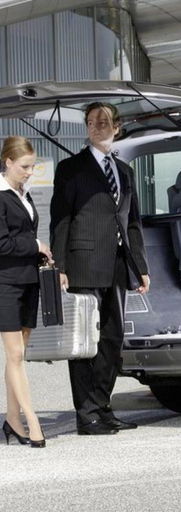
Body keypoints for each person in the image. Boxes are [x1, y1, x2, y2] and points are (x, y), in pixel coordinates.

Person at [50, 102, 150, 435]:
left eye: (103, 122)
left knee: (111, 339)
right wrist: (59, 266)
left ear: (117, 127)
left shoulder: (125, 171)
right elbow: (61, 220)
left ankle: (103, 407)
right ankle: (86, 414)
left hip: (118, 265)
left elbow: (131, 223)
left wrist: (141, 267)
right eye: (91, 122)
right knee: (85, 342)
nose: (96, 127)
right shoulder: (70, 168)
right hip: (82, 263)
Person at [0, 136, 54, 448]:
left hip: (29, 280)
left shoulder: (23, 193)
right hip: (5, 283)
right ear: (7, 162)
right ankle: (31, 420)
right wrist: (35, 245)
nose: (30, 172)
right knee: (15, 355)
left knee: (16, 358)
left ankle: (11, 418)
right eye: (25, 166)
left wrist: (43, 255)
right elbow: (3, 244)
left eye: (32, 166)